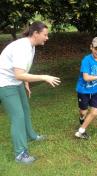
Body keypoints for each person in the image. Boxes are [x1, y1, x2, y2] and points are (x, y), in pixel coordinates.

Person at [0, 21, 61, 164]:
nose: (47, 38)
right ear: (35, 33)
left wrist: (26, 82)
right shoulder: (22, 47)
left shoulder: (31, 46)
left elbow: (22, 70)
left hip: (16, 81)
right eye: (45, 35)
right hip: (4, 83)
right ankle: (20, 154)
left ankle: (30, 135)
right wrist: (44, 77)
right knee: (18, 116)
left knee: (25, 110)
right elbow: (18, 74)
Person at [75, 36, 97, 140]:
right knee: (83, 112)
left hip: (95, 90)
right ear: (91, 47)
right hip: (83, 90)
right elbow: (86, 78)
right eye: (96, 49)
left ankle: (81, 131)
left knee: (95, 112)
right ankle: (82, 117)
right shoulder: (86, 60)